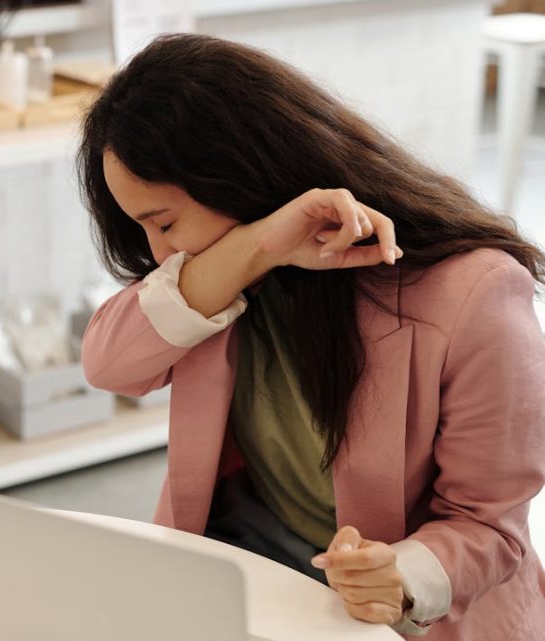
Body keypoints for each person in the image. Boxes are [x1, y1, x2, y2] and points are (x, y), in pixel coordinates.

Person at [78, 34, 544, 640]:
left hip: (395, 605)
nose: (159, 253)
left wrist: (398, 575)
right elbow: (109, 365)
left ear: (239, 174)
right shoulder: (217, 279)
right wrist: (256, 246)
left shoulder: (474, 293)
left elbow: (489, 526)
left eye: (163, 223)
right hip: (243, 550)